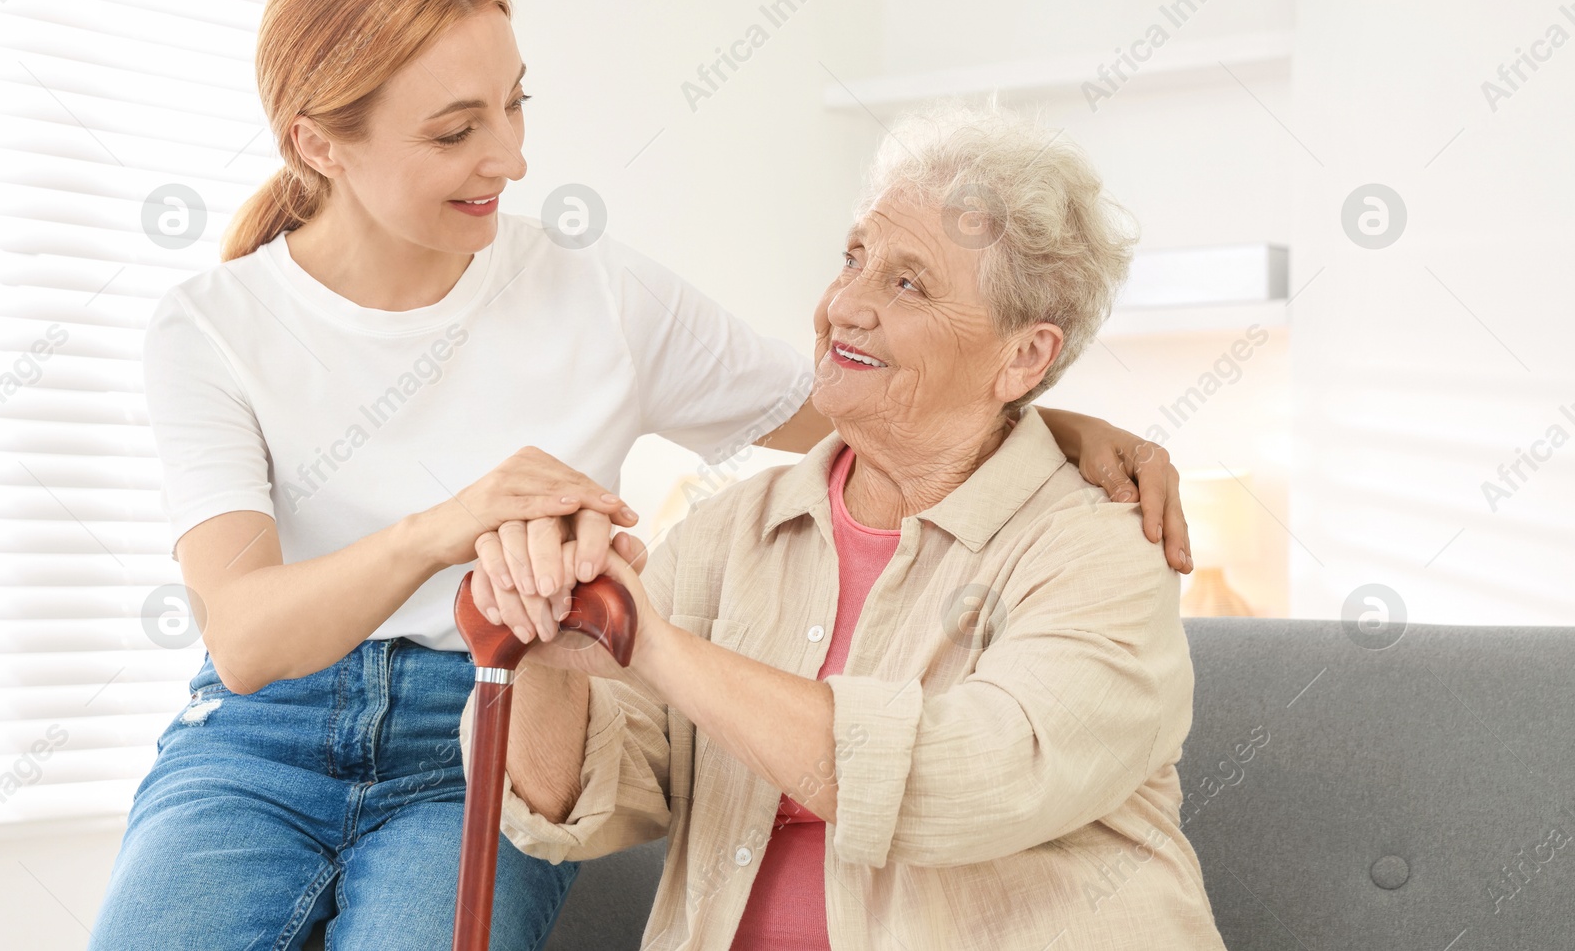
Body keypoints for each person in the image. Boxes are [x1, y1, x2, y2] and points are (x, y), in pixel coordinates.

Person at [88, 0, 1190, 951]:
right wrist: (449, 531)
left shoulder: (597, 294)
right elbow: (244, 635)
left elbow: (878, 398)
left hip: (482, 703)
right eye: (456, 130)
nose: (512, 159)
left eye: (514, 107)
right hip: (262, 729)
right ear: (314, 143)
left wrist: (1052, 419)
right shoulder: (213, 326)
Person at [467, 103, 1228, 949]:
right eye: (854, 258)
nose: (844, 307)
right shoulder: (734, 531)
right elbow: (578, 797)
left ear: (1024, 356)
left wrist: (651, 639)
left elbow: (957, 780)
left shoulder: (1101, 550)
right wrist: (546, 639)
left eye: (908, 282)